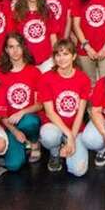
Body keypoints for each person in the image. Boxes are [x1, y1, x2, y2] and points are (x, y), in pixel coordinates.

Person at [38, 39, 91, 176]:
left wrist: (72, 138)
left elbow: (80, 113)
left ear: (74, 56)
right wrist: (68, 135)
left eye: (66, 54)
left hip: (75, 128)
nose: (61, 59)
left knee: (78, 171)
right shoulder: (46, 78)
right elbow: (49, 113)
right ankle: (54, 152)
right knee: (49, 136)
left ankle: (66, 145)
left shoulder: (83, 79)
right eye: (58, 55)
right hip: (54, 125)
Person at [0, 32, 43, 164]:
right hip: (8, 123)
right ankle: (21, 143)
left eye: (18, 46)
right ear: (6, 50)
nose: (15, 51)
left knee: (30, 122)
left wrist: (21, 112)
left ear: (24, 48)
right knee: (13, 165)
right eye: (11, 47)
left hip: (28, 118)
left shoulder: (34, 71)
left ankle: (34, 142)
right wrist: (14, 130)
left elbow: (40, 104)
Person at [12, 0, 58, 72]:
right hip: (25, 62)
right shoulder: (16, 13)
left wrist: (54, 58)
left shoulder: (47, 12)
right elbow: (13, 40)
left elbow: (53, 37)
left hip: (47, 62)